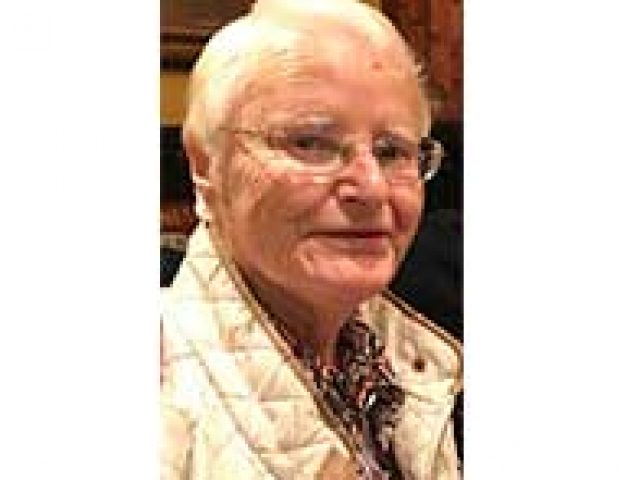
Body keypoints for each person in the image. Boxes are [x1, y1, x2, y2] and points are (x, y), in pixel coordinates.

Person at [161, 0, 462, 478]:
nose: (372, 188)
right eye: (310, 144)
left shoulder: (418, 362)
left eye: (392, 152)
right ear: (206, 165)